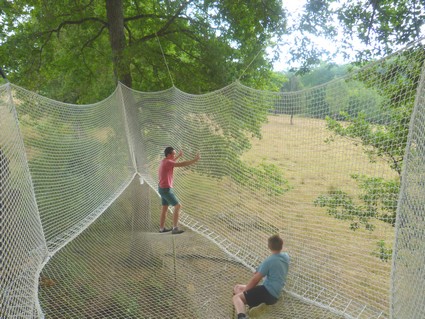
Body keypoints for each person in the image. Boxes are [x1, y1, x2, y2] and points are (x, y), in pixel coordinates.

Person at [232, 234, 290, 319]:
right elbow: (272, 265)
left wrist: (246, 291)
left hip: (267, 292)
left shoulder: (269, 261)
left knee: (236, 298)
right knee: (237, 288)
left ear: (269, 246)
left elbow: (255, 280)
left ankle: (242, 317)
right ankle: (256, 306)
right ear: (281, 245)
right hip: (275, 293)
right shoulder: (286, 257)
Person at [158, 146, 200, 234]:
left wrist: (179, 156)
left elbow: (172, 161)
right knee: (178, 206)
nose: (175, 155)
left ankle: (161, 229)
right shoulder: (168, 162)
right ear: (169, 155)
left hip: (161, 188)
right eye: (174, 154)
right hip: (166, 189)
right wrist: (195, 160)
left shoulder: (164, 161)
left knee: (164, 208)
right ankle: (175, 228)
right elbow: (182, 164)